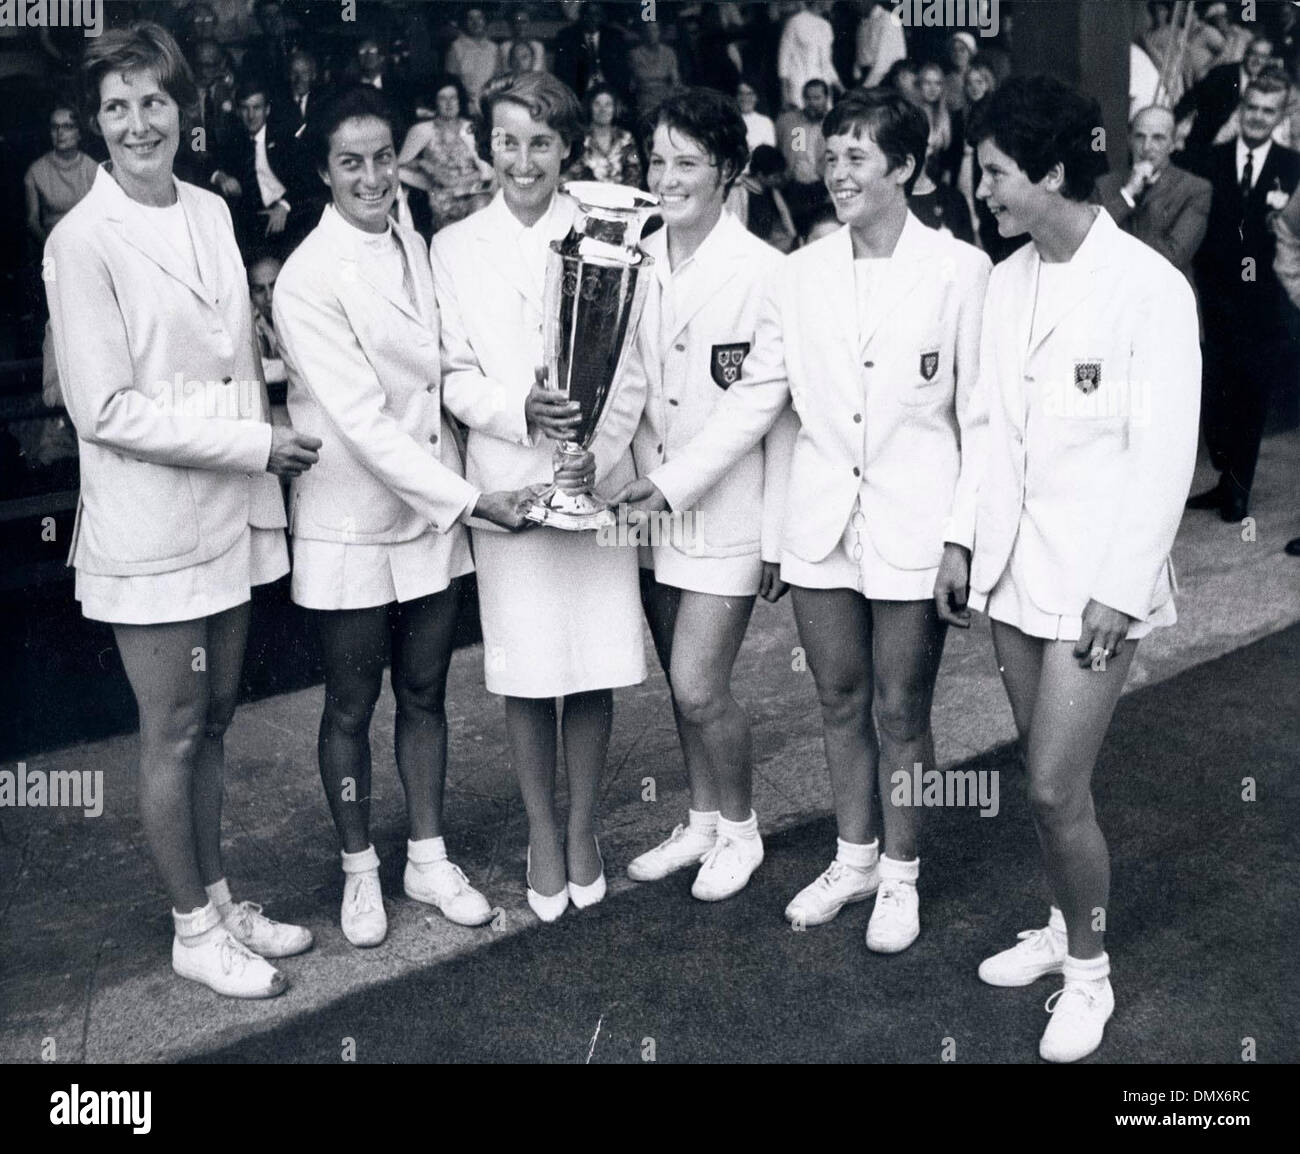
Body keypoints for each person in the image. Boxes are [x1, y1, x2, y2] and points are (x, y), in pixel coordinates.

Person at [45, 21, 323, 998]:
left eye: (152, 101)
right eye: (115, 106)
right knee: (170, 730)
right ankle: (192, 929)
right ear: (94, 119)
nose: (135, 123)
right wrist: (254, 442)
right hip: (150, 527)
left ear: (182, 107)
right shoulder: (78, 240)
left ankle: (219, 894)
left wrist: (265, 453)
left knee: (212, 722)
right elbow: (105, 408)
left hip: (230, 514)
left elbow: (236, 357)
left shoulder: (209, 208)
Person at [961, 75, 1200, 1062]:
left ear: (1052, 173)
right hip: (1014, 576)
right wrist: (958, 541)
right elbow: (982, 429)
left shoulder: (1149, 288)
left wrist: (1120, 582)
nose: (980, 189)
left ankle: (1090, 974)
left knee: (1056, 789)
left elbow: (1163, 451)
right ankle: (1061, 930)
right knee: (1042, 780)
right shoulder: (1001, 279)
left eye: (995, 173)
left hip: (1100, 583)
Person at [272, 85, 535, 948]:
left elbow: (438, 375)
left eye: (385, 157)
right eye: (352, 162)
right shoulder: (308, 278)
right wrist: (471, 501)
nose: (375, 176)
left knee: (424, 690)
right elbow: (362, 422)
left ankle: (427, 855)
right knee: (351, 702)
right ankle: (359, 871)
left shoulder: (413, 240)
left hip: (429, 512)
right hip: (353, 518)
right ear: (323, 172)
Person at [429, 71, 648, 922]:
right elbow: (451, 372)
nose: (525, 160)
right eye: (509, 142)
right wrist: (517, 409)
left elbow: (630, 367)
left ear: (569, 151)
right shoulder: (453, 246)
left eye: (542, 143)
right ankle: (541, 834)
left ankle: (586, 829)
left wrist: (593, 449)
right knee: (525, 670)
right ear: (489, 149)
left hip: (589, 480)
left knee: (593, 663)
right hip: (508, 485)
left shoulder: (607, 234)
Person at [611, 88, 795, 902]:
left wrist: (774, 536)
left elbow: (759, 408)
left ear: (727, 171)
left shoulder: (768, 274)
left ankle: (743, 829)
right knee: (678, 689)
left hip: (724, 511)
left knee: (698, 685)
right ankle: (702, 818)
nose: (668, 177)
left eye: (686, 162)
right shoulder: (634, 254)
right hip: (645, 514)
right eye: (658, 161)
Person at [1187, 71, 1300, 522]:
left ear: (1280, 115)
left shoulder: (1294, 167)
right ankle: (1223, 469)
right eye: (1251, 107)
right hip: (1213, 296)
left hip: (1266, 300)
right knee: (1214, 395)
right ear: (1242, 108)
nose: (1257, 117)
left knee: (1251, 393)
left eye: (1268, 111)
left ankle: (1237, 487)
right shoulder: (1207, 160)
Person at [1093, 105, 1211, 286]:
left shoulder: (1195, 189)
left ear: (1173, 143)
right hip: (1114, 296)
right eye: (1140, 137)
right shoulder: (1105, 184)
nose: (1147, 147)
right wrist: (1128, 194)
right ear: (1129, 139)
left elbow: (1174, 256)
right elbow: (1091, 240)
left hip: (1165, 297)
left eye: (1158, 138)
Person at [210, 71, 318, 256]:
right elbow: (205, 160)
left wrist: (284, 206)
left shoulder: (285, 138)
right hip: (253, 222)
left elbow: (307, 179)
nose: (250, 115)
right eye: (245, 108)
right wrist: (221, 176)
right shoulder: (233, 139)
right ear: (237, 110)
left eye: (256, 108)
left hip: (289, 214)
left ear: (267, 110)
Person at [397, 77, 493, 234]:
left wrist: (458, 181)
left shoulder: (471, 128)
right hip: (444, 200)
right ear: (434, 102)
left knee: (482, 206)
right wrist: (424, 167)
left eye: (453, 98)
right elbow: (397, 166)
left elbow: (488, 170)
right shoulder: (423, 130)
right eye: (443, 98)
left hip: (475, 192)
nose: (449, 103)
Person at [1176, 34, 1275, 164]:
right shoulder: (1223, 74)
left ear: (1268, 60)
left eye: (1263, 57)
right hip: (1203, 149)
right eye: (1254, 54)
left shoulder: (1265, 83)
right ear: (1245, 54)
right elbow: (1190, 100)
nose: (1257, 60)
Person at [24, 102, 99, 245]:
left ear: (79, 133)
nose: (60, 133)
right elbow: (32, 221)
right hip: (53, 243)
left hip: (89, 244)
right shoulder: (35, 171)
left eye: (68, 127)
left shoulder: (93, 169)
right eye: (54, 127)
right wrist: (51, 247)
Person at [776, 77, 831, 234]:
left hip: (824, 188)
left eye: (817, 98)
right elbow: (792, 152)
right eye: (808, 98)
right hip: (796, 188)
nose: (812, 103)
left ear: (826, 98)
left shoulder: (834, 124)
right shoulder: (792, 122)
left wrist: (818, 174)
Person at [565, 83, 643, 187]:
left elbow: (635, 173)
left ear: (615, 108)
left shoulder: (626, 138)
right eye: (597, 104)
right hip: (586, 196)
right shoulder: (580, 138)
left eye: (608, 104)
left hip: (621, 198)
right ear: (590, 107)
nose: (603, 110)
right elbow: (574, 173)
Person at [552, 2, 629, 102]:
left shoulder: (614, 37)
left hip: (609, 90)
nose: (592, 18)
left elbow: (622, 71)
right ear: (580, 16)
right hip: (580, 92)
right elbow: (561, 71)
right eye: (588, 14)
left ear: (602, 16)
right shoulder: (567, 36)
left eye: (596, 14)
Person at [728, 142, 797, 251]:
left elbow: (785, 222)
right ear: (760, 175)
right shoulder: (739, 192)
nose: (779, 180)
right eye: (775, 176)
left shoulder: (771, 191)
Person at [778, 1, 840, 110]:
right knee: (800, 124)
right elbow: (783, 60)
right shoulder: (794, 22)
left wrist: (842, 89)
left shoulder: (826, 26)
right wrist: (784, 96)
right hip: (799, 86)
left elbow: (827, 64)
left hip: (822, 89)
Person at [446, 7, 498, 115]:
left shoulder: (494, 48)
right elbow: (450, 81)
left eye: (479, 18)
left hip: (491, 105)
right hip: (465, 105)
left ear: (485, 21)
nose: (476, 23)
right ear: (464, 22)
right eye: (470, 19)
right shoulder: (455, 47)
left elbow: (500, 79)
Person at [917, 61, 961, 187]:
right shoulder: (911, 114)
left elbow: (950, 153)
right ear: (920, 85)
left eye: (938, 83)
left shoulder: (948, 116)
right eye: (927, 83)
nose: (933, 88)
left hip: (939, 178)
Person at [627, 17, 680, 120]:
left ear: (660, 32)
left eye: (655, 30)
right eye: (648, 30)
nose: (651, 33)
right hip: (645, 99)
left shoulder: (669, 52)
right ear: (643, 33)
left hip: (666, 98)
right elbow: (633, 84)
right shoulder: (634, 54)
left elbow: (676, 81)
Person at [247, 254, 285, 387]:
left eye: (274, 285)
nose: (269, 296)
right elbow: (252, 370)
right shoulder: (250, 322)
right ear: (250, 295)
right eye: (259, 290)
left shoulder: (306, 310)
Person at [855, 0, 906, 89]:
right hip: (866, 79)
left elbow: (883, 64)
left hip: (882, 81)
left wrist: (865, 88)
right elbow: (861, 57)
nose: (855, 3)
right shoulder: (862, 23)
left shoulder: (887, 20)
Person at [498, 6, 547, 75]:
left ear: (529, 23)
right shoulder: (504, 47)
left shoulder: (538, 47)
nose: (521, 26)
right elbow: (501, 73)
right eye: (517, 22)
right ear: (511, 25)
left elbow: (543, 74)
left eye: (524, 22)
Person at [737, 80, 776, 151]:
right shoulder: (730, 120)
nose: (745, 98)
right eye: (741, 93)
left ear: (756, 97)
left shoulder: (765, 122)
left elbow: (769, 152)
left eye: (749, 94)